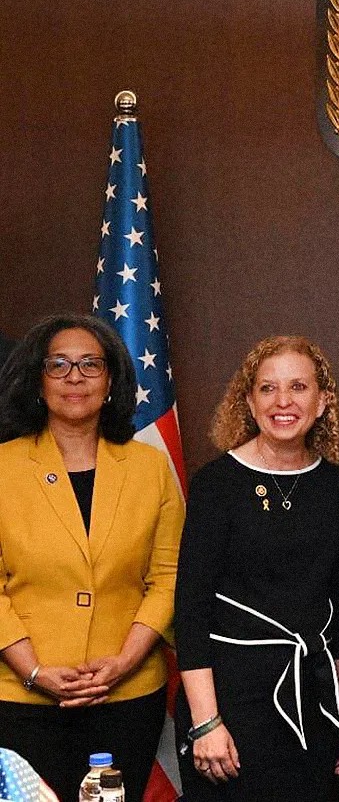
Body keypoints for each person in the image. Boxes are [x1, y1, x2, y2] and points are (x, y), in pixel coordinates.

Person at [174, 336, 339, 800]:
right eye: (267, 388)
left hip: (314, 701)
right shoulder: (216, 484)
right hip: (230, 705)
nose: (283, 402)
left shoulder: (334, 487)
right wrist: (206, 723)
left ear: (322, 402)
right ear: (248, 401)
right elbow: (190, 611)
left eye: (298, 387)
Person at [0, 313, 184, 801]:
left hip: (125, 694)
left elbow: (167, 576)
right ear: (38, 382)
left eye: (89, 364)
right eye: (58, 364)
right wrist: (35, 671)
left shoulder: (150, 468)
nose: (74, 377)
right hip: (22, 697)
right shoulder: (3, 466)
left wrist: (123, 663)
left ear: (111, 381)